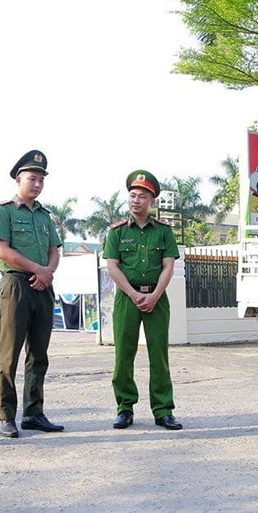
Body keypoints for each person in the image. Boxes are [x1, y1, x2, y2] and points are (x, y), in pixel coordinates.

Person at [0, 149, 63, 438]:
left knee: (39, 354)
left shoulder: (45, 216)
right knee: (9, 355)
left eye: (41, 180)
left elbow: (54, 250)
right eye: (32, 178)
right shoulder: (4, 210)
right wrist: (38, 269)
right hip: (16, 286)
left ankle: (34, 412)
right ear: (18, 179)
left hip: (43, 288)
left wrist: (48, 273)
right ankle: (6, 415)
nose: (37, 184)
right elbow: (3, 250)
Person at [103, 170, 182, 431]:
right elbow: (113, 267)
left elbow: (168, 266)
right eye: (132, 195)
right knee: (124, 354)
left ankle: (163, 410)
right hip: (127, 298)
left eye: (142, 196)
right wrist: (135, 294)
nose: (136, 200)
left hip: (157, 298)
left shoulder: (163, 232)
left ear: (152, 201)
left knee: (158, 354)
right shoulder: (116, 232)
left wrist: (155, 295)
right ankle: (124, 408)